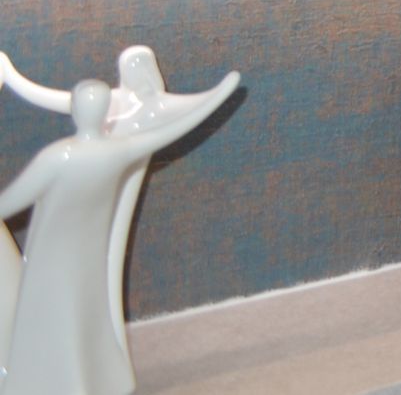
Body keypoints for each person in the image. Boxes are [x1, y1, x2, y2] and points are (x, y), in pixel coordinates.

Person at [0, 74, 239, 395]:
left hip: (52, 250)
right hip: (89, 247)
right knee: (85, 308)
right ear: (104, 112)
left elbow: (14, 199)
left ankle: (42, 383)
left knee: (47, 311)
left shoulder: (60, 156)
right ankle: (97, 379)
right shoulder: (117, 149)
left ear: (76, 112)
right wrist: (217, 96)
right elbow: (165, 134)